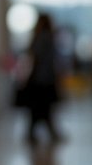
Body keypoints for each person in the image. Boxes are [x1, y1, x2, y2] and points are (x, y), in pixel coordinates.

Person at [20, 13, 64, 146]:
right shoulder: (47, 37)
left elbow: (34, 57)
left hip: (39, 78)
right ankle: (44, 133)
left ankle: (34, 133)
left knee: (38, 108)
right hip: (44, 79)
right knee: (44, 108)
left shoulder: (38, 37)